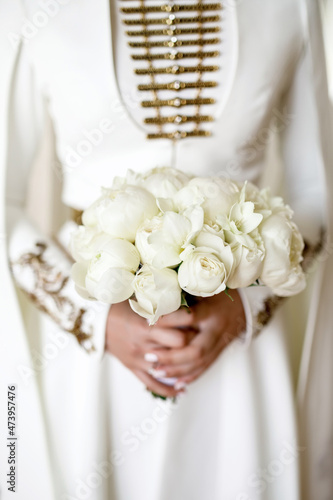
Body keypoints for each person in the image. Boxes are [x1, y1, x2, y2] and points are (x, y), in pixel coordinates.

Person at [0, 0, 332, 499]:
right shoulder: (31, 7)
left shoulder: (293, 5)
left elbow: (317, 192)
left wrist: (245, 307)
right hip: (89, 353)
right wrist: (94, 318)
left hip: (239, 345)